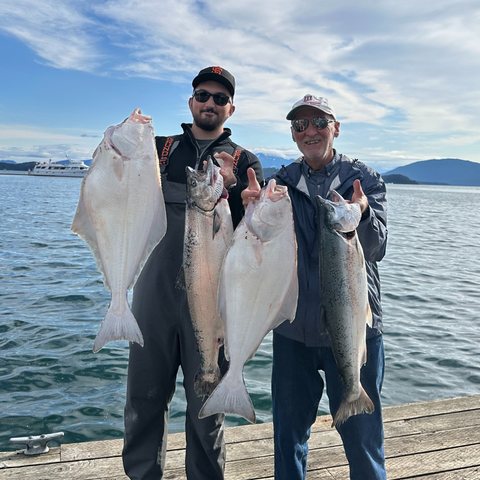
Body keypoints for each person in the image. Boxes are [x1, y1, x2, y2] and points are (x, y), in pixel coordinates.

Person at [122, 66, 264, 480]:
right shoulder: (160, 147)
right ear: (191, 102)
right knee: (144, 397)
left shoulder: (246, 160)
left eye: (220, 99)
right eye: (203, 95)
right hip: (154, 292)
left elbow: (256, 232)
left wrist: (237, 192)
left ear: (230, 109)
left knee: (208, 407)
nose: (210, 103)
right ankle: (141, 474)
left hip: (213, 298)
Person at [242, 94, 388, 479]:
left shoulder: (365, 180)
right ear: (292, 134)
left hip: (357, 327)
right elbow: (259, 244)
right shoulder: (283, 182)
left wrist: (364, 215)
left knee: (364, 441)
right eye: (300, 125)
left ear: (336, 128)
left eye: (319, 123)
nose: (310, 132)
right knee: (288, 438)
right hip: (294, 331)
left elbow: (377, 247)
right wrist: (250, 212)